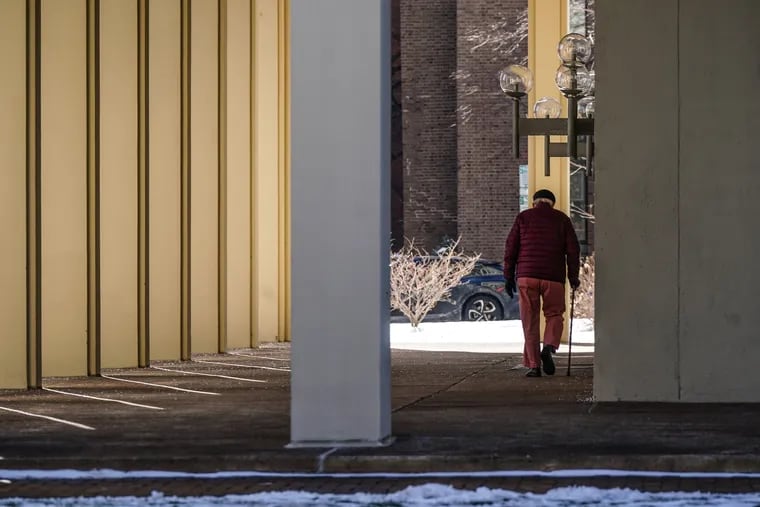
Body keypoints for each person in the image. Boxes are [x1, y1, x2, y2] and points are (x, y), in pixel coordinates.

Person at [503, 189, 580, 377]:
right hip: (553, 277)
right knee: (554, 314)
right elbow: (573, 251)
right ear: (552, 203)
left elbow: (511, 247)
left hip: (527, 276)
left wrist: (508, 276)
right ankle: (549, 346)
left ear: (534, 202)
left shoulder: (523, 218)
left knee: (529, 320)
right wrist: (573, 276)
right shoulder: (562, 219)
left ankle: (534, 366)